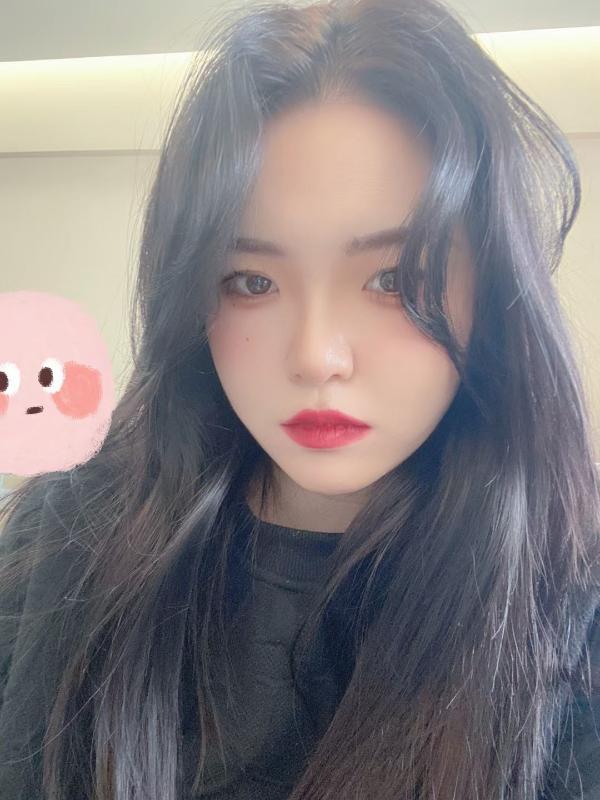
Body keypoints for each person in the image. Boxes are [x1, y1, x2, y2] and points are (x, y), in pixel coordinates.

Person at [1, 0, 599, 798]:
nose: (316, 356)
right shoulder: (70, 531)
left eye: (393, 279)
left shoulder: (570, 597)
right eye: (252, 282)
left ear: (489, 286)